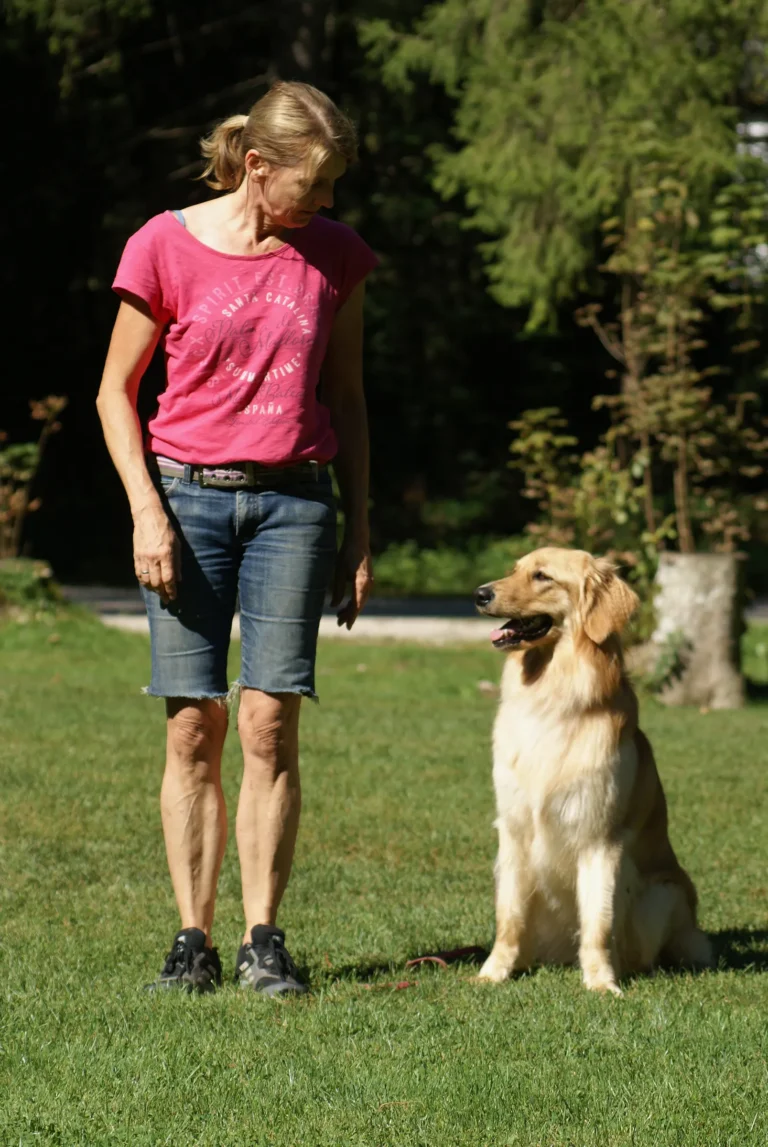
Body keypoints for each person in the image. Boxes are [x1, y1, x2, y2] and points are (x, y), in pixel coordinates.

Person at [96, 81, 378, 995]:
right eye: (317, 183)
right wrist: (146, 508)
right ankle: (192, 939)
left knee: (268, 722)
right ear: (258, 167)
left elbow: (350, 398)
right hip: (185, 502)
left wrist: (361, 524)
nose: (328, 203)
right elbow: (114, 394)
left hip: (296, 507)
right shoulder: (163, 244)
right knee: (192, 726)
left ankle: (264, 938)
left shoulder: (335, 255)